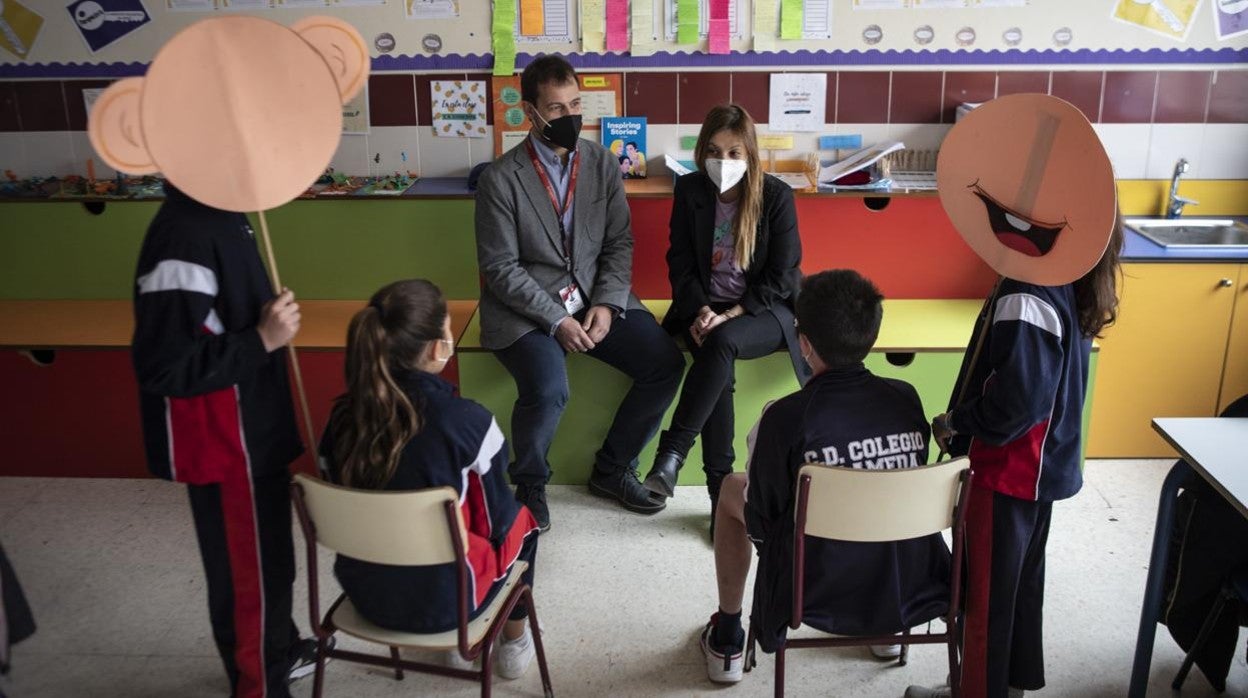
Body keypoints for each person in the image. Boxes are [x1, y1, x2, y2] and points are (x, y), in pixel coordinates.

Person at [907, 216, 1124, 698]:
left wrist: (959, 422)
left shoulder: (1028, 288)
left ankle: (978, 690)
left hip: (1007, 472)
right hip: (1039, 469)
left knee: (985, 601)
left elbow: (1015, 403)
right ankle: (1003, 688)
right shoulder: (1063, 274)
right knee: (1017, 589)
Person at [699, 270, 952, 684]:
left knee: (731, 488)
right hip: (908, 577)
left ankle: (727, 639)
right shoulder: (906, 398)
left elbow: (765, 519)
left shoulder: (784, 417)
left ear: (804, 344)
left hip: (812, 585)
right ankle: (886, 628)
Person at [474, 54, 685, 530]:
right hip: (528, 310)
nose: (570, 117)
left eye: (575, 105)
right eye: (555, 109)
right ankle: (529, 481)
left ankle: (612, 469)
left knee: (665, 363)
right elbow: (500, 268)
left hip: (595, 298)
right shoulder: (500, 179)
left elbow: (618, 242)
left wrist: (608, 305)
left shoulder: (602, 163)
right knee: (548, 390)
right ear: (529, 113)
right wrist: (556, 319)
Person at [131, 182, 315, 697]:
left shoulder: (227, 213)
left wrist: (264, 328)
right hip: (224, 440)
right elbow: (164, 365)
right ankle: (258, 682)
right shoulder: (183, 236)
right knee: (247, 573)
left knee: (272, 558)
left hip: (254, 426)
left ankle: (278, 648)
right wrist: (261, 339)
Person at [319, 280, 542, 679]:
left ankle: (467, 641)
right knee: (525, 525)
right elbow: (496, 524)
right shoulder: (469, 422)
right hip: (450, 604)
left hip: (364, 594)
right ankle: (508, 641)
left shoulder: (337, 421)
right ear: (439, 347)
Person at [642, 104, 808, 535]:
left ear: (750, 155)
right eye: (715, 151)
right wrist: (701, 310)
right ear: (701, 153)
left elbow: (784, 273)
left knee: (723, 343)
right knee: (718, 361)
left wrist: (732, 313)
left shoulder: (775, 196)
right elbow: (679, 262)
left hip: (765, 310)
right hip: (703, 308)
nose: (724, 162)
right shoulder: (691, 190)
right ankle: (721, 498)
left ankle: (673, 453)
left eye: (735, 153)